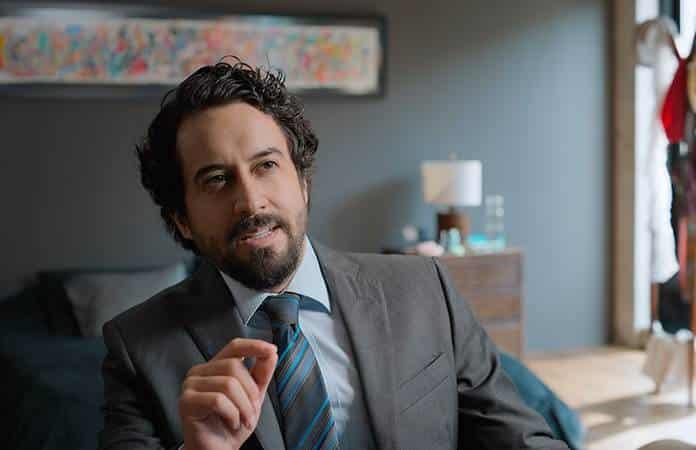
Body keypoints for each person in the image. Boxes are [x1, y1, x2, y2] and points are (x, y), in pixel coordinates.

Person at [98, 58, 569, 450]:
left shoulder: (425, 289)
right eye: (217, 180)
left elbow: (521, 439)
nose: (251, 202)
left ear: (302, 182)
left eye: (266, 165)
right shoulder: (137, 348)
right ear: (181, 218)